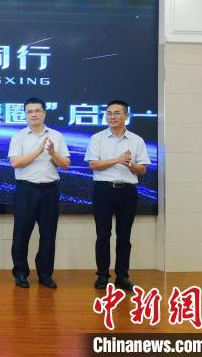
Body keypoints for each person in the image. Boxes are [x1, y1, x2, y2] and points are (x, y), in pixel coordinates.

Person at [85, 100, 150, 291]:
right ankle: (102, 275)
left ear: (126, 116)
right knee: (103, 234)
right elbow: (93, 165)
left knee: (124, 236)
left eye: (117, 113)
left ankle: (122, 276)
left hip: (127, 192)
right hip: (103, 191)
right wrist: (117, 160)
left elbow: (142, 169)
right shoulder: (97, 138)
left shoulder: (136, 140)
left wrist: (129, 164)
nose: (112, 117)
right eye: (109, 113)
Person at [8, 97, 70, 289]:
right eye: (29, 111)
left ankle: (45, 274)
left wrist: (52, 153)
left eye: (37, 110)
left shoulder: (57, 136)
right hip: (26, 189)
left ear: (44, 113)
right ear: (25, 115)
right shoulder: (19, 137)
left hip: (50, 190)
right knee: (21, 234)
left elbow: (65, 164)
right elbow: (15, 163)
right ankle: (20, 273)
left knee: (48, 235)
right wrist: (38, 150)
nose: (33, 114)